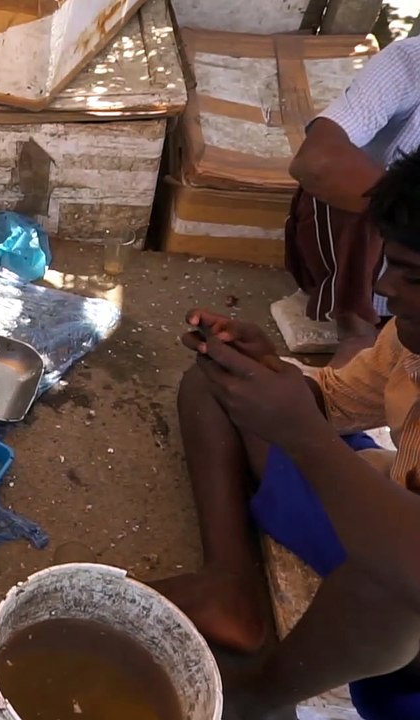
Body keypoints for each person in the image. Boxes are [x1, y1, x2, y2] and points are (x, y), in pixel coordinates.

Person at [153, 149, 420, 719]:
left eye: (412, 276)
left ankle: (256, 699)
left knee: (389, 592)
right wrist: (269, 370)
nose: (384, 288)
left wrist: (302, 434)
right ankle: (230, 586)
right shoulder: (411, 337)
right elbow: (337, 401)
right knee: (219, 387)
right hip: (393, 532)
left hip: (406, 601)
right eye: (389, 264)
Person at [285, 36, 420, 367]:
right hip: (363, 251)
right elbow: (314, 162)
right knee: (380, 192)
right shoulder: (409, 62)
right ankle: (356, 329)